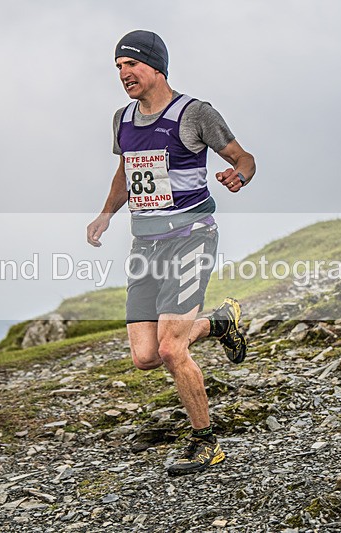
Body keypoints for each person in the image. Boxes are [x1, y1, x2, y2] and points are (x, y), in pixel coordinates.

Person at [86, 30, 256, 476]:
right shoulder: (122, 119)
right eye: (118, 67)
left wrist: (238, 176)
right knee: (144, 357)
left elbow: (243, 157)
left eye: (131, 64)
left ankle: (206, 443)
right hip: (145, 243)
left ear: (156, 66)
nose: (124, 74)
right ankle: (220, 321)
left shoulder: (194, 113)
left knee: (170, 349)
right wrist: (105, 214)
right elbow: (125, 173)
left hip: (190, 236)